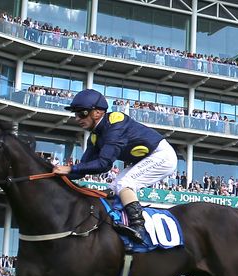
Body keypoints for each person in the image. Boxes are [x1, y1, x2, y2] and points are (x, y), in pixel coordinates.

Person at [54, 88, 178, 244]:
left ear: (97, 113)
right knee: (111, 189)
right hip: (143, 160)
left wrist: (70, 169)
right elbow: (84, 168)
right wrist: (56, 175)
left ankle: (138, 227)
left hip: (162, 156)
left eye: (82, 113)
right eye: (76, 114)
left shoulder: (116, 123)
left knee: (124, 184)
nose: (78, 118)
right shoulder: (94, 136)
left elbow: (104, 164)